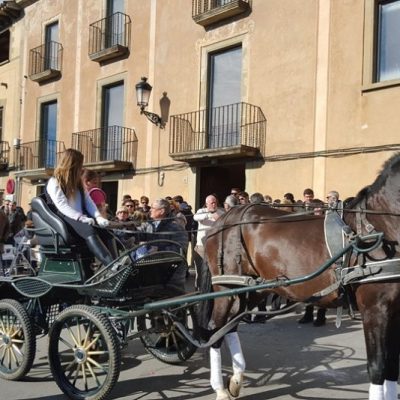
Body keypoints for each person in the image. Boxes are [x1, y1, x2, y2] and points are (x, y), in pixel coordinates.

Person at [46, 148, 115, 267]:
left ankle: (117, 261)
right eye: (80, 165)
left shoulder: (78, 183)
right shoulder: (54, 182)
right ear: (72, 165)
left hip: (80, 219)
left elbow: (88, 201)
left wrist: (98, 217)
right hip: (65, 220)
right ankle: (112, 266)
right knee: (90, 231)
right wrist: (81, 218)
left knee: (107, 233)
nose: (82, 168)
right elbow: (62, 206)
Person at [193, 194, 225, 289]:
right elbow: (196, 217)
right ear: (206, 204)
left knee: (213, 271)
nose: (214, 205)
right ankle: (198, 290)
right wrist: (210, 214)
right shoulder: (201, 211)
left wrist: (219, 217)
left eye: (215, 202)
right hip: (202, 247)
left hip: (215, 247)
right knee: (201, 271)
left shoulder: (220, 212)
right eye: (212, 203)